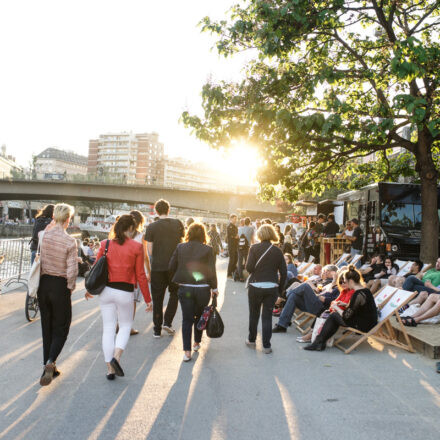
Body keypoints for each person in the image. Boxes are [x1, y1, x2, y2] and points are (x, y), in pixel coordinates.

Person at [85, 215, 152, 380]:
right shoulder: (136, 247)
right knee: (125, 325)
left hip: (106, 291)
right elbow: (141, 275)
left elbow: (95, 269)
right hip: (125, 292)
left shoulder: (104, 244)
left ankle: (110, 369)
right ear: (130, 228)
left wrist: (90, 289)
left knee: (108, 328)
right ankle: (117, 356)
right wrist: (148, 299)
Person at [37, 203, 78, 386]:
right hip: (60, 286)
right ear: (68, 219)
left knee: (47, 327)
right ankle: (50, 361)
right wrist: (70, 287)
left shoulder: (43, 235)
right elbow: (72, 270)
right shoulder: (70, 241)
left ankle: (49, 365)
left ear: (54, 217)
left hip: (43, 284)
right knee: (62, 327)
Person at [169, 223, 218, 362]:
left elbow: (171, 266)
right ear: (203, 235)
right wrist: (214, 288)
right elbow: (211, 271)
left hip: (185, 288)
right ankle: (196, 342)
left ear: (188, 233)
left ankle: (187, 352)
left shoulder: (180, 247)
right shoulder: (208, 249)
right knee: (199, 316)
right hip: (203, 288)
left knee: (187, 319)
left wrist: (178, 279)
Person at [304, 265, 378, 351]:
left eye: (345, 281)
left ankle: (319, 342)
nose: (344, 283)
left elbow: (346, 316)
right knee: (334, 316)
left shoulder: (357, 294)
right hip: (366, 320)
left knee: (334, 315)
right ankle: (319, 342)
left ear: (351, 281)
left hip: (364, 325)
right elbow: (359, 308)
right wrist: (344, 304)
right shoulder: (364, 290)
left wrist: (336, 307)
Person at [145, 199, 184, 338]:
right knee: (174, 293)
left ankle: (156, 329)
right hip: (174, 267)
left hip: (157, 267)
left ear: (156, 210)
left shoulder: (151, 227)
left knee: (158, 298)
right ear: (169, 210)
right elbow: (181, 244)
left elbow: (149, 250)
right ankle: (167, 322)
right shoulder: (178, 224)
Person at [245, 224, 287, 353]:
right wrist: (280, 291)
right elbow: (284, 273)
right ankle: (266, 346)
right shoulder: (278, 251)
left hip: (255, 285)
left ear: (260, 234)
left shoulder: (254, 248)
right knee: (267, 316)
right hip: (271, 287)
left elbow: (249, 268)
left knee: (254, 314)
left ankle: (252, 340)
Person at [272, 265, 339, 333]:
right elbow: (319, 290)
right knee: (293, 295)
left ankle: (283, 298)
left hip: (320, 307)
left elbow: (332, 299)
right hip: (314, 301)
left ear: (334, 273)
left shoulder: (337, 285)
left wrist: (334, 280)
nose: (325, 272)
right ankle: (282, 325)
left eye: (328, 271)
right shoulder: (324, 280)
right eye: (325, 270)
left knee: (305, 286)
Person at [129, 210, 151, 336]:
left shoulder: (121, 234)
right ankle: (128, 327)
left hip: (121, 270)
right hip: (135, 271)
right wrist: (149, 271)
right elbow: (145, 256)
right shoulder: (140, 236)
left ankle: (117, 324)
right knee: (132, 301)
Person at [236, 217, 255, 281]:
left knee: (239, 261)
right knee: (248, 261)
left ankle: (241, 277)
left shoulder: (239, 228)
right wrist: (253, 245)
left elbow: (238, 237)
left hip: (240, 246)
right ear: (249, 222)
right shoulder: (251, 229)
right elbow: (252, 238)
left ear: (244, 222)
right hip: (247, 247)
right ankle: (249, 276)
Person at [227, 214, 239, 278]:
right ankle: (229, 274)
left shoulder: (235, 226)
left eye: (236, 219)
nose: (236, 220)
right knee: (232, 260)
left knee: (235, 259)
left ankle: (233, 273)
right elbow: (236, 236)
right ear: (231, 219)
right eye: (234, 219)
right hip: (231, 245)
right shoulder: (230, 226)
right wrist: (238, 236)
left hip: (235, 245)